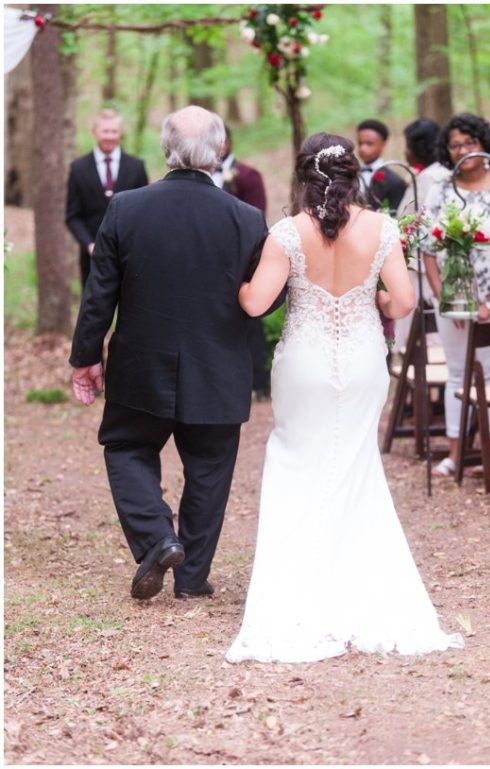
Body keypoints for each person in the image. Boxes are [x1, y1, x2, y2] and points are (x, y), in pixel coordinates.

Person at [225, 133, 463, 663]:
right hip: (360, 361)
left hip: (305, 362)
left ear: (304, 175)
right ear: (353, 174)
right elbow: (402, 304)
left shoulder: (286, 233)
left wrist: (239, 287)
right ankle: (358, 587)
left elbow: (256, 303)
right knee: (355, 466)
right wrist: (372, 294)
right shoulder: (382, 229)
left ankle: (297, 591)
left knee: (297, 464)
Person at [68, 106, 274, 601]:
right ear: (219, 149)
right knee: (210, 467)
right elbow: (266, 297)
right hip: (219, 364)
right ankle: (191, 576)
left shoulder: (127, 207)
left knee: (126, 447)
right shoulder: (247, 219)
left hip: (143, 363)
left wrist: (86, 355)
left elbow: (101, 292)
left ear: (166, 149)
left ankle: (158, 539)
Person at [422, 113, 490, 478]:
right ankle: (456, 454)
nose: (463, 150)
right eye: (455, 144)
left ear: (483, 143)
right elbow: (428, 249)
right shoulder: (441, 189)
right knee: (458, 375)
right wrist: (446, 299)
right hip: (453, 302)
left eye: (469, 142)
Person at [213, 126, 272, 401]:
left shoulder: (247, 175)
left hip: (239, 259)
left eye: (222, 139)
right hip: (207, 261)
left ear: (230, 141)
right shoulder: (197, 176)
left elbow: (256, 218)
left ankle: (256, 381)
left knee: (248, 319)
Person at [65, 109, 149, 286]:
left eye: (114, 131)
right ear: (95, 132)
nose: (110, 136)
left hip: (130, 257)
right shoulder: (78, 168)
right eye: (105, 131)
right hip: (91, 260)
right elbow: (72, 216)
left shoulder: (136, 167)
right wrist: (89, 244)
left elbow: (145, 212)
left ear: (121, 133)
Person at [394, 118, 450, 352]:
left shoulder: (430, 178)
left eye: (408, 145)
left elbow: (421, 222)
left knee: (424, 332)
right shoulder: (437, 173)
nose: (405, 152)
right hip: (422, 263)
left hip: (422, 267)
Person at [356, 118, 407, 215]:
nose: (362, 148)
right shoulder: (351, 175)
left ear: (383, 144)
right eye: (360, 143)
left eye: (369, 144)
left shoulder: (395, 182)